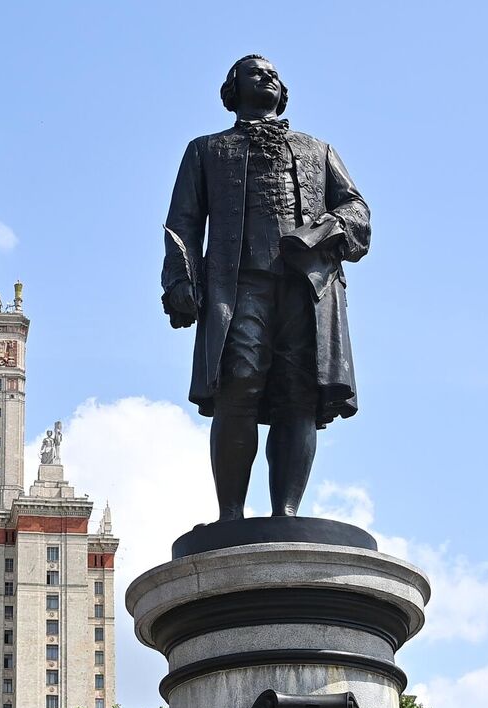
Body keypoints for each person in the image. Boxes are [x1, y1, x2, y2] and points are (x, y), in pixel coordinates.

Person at [163, 55, 371, 521]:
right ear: (232, 89)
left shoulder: (317, 149)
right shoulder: (206, 150)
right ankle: (230, 515)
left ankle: (287, 512)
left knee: (299, 392)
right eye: (257, 72)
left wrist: (322, 232)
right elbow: (183, 223)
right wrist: (180, 279)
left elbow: (358, 211)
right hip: (237, 287)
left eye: (275, 74)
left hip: (307, 288)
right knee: (238, 386)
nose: (270, 77)